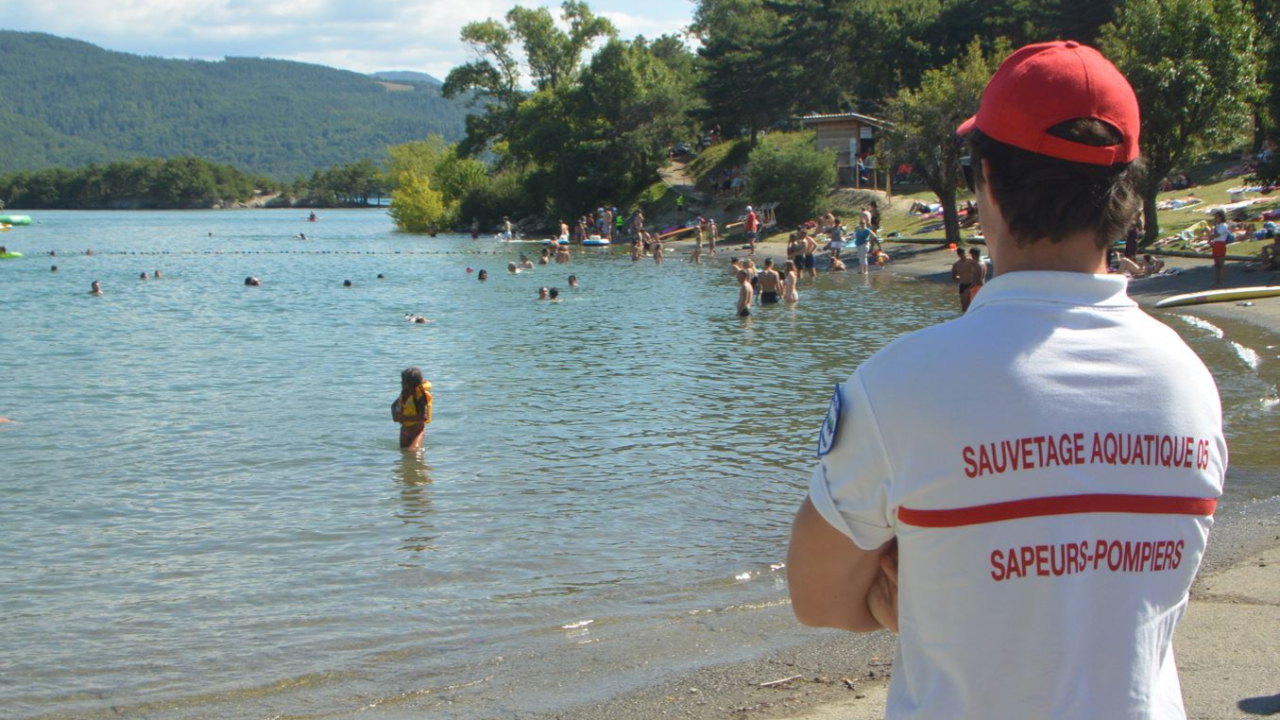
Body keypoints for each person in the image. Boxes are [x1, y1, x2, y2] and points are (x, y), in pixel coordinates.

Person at [786, 40, 1225, 720]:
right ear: (1126, 192)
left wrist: (929, 599)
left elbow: (817, 599)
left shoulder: (899, 389)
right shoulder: (1191, 386)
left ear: (985, 181)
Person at [391, 367, 432, 450]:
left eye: (403, 381)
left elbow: (424, 417)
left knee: (413, 451)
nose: (401, 383)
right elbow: (393, 406)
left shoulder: (421, 397)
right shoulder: (405, 394)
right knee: (404, 453)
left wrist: (404, 418)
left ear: (410, 383)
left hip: (417, 431)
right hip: (404, 431)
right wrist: (395, 415)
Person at [950, 246, 978, 311]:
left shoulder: (971, 261)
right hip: (963, 285)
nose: (965, 255)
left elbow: (978, 269)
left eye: (965, 253)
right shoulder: (956, 265)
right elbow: (954, 277)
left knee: (973, 305)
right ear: (959, 255)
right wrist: (961, 279)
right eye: (963, 254)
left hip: (972, 284)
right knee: (964, 307)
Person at [1210, 208, 1230, 288]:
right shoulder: (1217, 226)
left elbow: (1217, 235)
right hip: (1216, 244)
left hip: (1220, 244)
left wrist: (1212, 235)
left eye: (1217, 217)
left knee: (1220, 264)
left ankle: (1220, 282)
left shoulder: (1223, 225)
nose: (1215, 219)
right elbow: (1213, 235)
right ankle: (1216, 281)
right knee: (1217, 264)